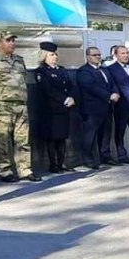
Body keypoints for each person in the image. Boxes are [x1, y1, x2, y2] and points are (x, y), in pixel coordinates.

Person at [0, 30, 38, 183]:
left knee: (23, 140)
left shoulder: (19, 60)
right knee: (2, 140)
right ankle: (5, 171)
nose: (12, 43)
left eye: (13, 40)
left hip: (20, 106)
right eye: (8, 40)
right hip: (1, 107)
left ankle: (25, 170)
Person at [34, 42, 76, 174]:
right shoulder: (41, 72)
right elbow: (48, 90)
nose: (55, 57)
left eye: (55, 54)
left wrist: (70, 97)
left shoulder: (61, 70)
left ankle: (61, 162)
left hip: (64, 109)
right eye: (52, 55)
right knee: (52, 138)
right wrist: (63, 99)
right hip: (51, 109)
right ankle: (53, 165)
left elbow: (70, 85)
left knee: (62, 137)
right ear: (44, 56)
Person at [75, 47, 119, 169]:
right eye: (95, 55)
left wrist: (115, 93)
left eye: (99, 55)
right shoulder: (84, 71)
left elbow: (112, 83)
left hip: (107, 107)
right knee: (90, 135)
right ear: (88, 57)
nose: (98, 57)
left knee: (106, 134)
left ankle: (105, 156)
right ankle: (88, 159)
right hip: (92, 109)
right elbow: (91, 87)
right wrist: (109, 95)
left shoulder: (104, 70)